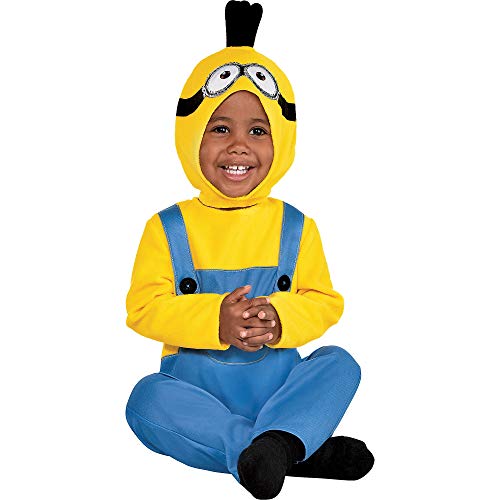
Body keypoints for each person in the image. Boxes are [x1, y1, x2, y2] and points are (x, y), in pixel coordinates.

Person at [125, 1, 374, 498]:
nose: (238, 145)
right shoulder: (167, 227)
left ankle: (270, 443)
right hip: (196, 400)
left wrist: (280, 317)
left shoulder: (296, 226)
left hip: (281, 390)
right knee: (145, 400)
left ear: (283, 140)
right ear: (189, 136)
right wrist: (216, 319)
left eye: (258, 130)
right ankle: (284, 447)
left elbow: (324, 302)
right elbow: (143, 309)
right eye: (220, 128)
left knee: (340, 362)